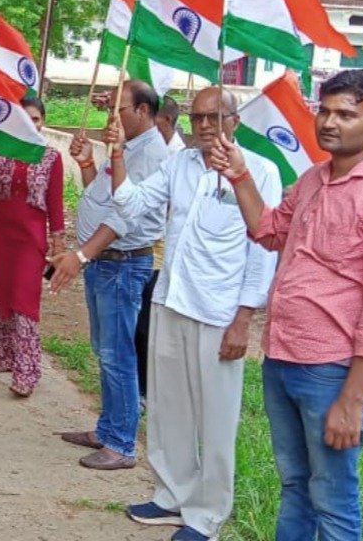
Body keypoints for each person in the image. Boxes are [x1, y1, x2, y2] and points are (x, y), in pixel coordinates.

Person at [211, 70, 363, 540]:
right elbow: (269, 231)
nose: (330, 123)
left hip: (331, 370)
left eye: (347, 114)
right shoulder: (313, 179)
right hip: (283, 357)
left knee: (333, 499)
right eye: (325, 111)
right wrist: (240, 174)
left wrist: (351, 399)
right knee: (295, 485)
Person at [105, 87, 280, 541]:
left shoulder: (259, 172)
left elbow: (262, 252)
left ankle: (206, 515)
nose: (204, 126)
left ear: (234, 121)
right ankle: (171, 495)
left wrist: (244, 317)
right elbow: (134, 203)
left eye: (215, 118)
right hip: (170, 300)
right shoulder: (179, 163)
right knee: (169, 410)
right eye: (197, 117)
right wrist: (116, 155)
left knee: (216, 419)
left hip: (219, 312)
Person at [51, 79, 169, 470]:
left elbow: (123, 217)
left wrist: (81, 255)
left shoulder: (150, 153)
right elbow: (99, 197)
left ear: (143, 111)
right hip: (105, 264)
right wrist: (87, 163)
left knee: (118, 354)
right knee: (105, 349)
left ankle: (121, 442)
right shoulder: (127, 149)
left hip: (121, 263)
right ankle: (108, 428)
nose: (110, 116)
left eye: (119, 108)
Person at [0, 96, 64, 397]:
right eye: (24, 119)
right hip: (0, 238)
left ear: (43, 121)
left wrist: (58, 244)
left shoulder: (51, 157)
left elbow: (56, 205)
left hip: (31, 242)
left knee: (24, 303)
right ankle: (5, 358)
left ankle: (27, 372)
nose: (30, 124)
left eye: (35, 119)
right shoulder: (1, 148)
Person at [136, 92, 188, 402]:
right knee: (142, 324)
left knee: (146, 326)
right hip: (152, 249)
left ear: (165, 120)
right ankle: (144, 386)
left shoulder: (174, 157)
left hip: (160, 253)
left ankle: (147, 390)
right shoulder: (162, 153)